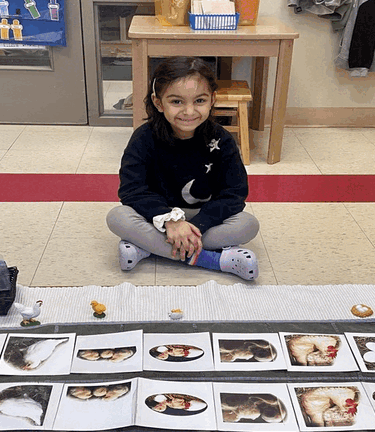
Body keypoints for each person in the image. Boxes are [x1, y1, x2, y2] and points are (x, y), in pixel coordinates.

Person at [106, 56, 260, 280]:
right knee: (117, 216)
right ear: (158, 103)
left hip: (201, 217)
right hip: (158, 217)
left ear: (212, 100)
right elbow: (132, 190)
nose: (189, 111)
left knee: (248, 225)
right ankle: (214, 260)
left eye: (199, 101)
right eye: (176, 102)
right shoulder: (144, 137)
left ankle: (148, 247)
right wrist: (170, 221)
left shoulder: (222, 139)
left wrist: (194, 226)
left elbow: (234, 194)